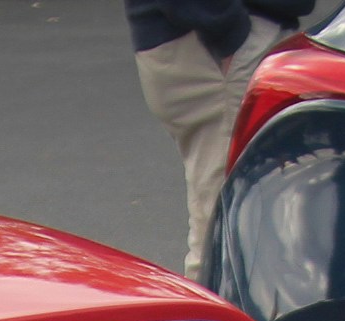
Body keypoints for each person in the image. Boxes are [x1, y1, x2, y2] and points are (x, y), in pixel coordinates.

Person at [130, 0, 312, 282]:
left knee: (245, 217)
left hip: (221, 38)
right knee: (228, 227)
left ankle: (225, 317)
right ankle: (213, 320)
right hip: (215, 43)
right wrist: (229, 34)